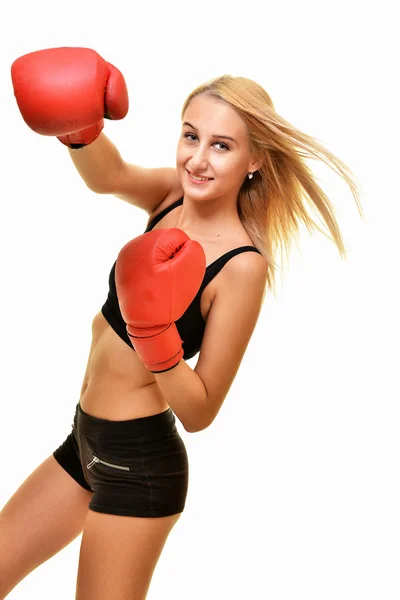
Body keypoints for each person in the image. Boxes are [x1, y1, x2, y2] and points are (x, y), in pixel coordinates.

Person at [2, 47, 363, 599]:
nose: (198, 158)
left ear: (255, 160)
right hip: (84, 443)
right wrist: (81, 131)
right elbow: (111, 176)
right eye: (190, 135)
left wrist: (155, 337)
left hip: (137, 465)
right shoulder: (170, 198)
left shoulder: (242, 265)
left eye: (222, 145)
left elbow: (201, 410)